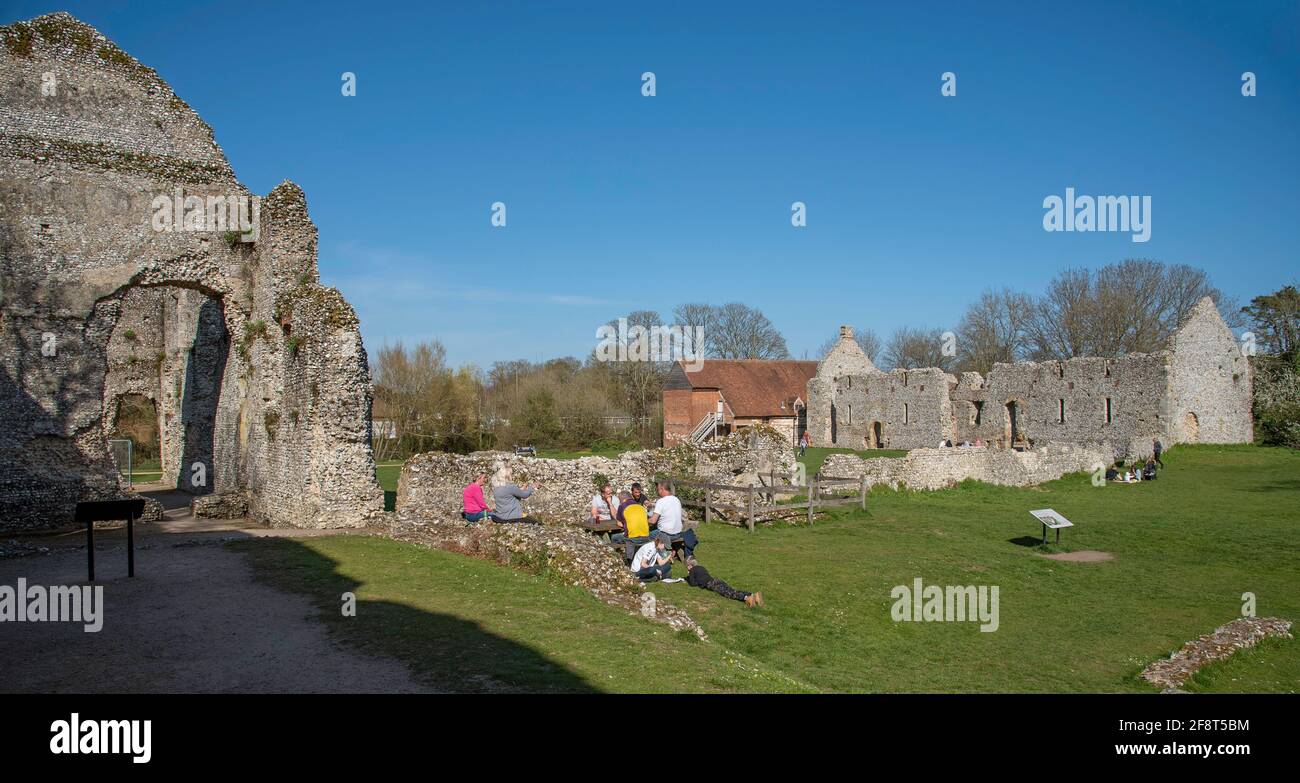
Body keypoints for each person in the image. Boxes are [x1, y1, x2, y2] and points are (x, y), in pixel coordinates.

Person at [686, 556, 763, 607]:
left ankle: (746, 598)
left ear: (690, 565)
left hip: (711, 584)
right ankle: (754, 595)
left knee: (729, 593)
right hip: (716, 580)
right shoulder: (701, 567)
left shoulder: (692, 570)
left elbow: (692, 584)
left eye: (687, 566)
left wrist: (689, 575)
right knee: (732, 590)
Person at [649, 480, 697, 558]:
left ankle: (662, 555)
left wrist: (644, 520)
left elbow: (653, 521)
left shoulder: (661, 501)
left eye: (658, 489)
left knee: (646, 536)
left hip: (666, 535)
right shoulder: (676, 500)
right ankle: (672, 551)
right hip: (677, 534)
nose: (658, 492)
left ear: (662, 489)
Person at [611, 490, 652, 559]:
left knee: (613, 537)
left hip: (632, 538)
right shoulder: (640, 506)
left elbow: (619, 523)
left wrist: (625, 524)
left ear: (622, 499)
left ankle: (618, 558)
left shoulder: (622, 506)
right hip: (646, 536)